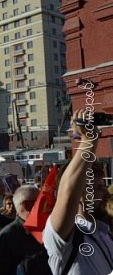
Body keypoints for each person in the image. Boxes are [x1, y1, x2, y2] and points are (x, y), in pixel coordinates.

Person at [43, 108, 113, 274]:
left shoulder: (103, 233)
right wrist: (89, 140)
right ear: (80, 194)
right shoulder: (62, 237)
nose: (106, 194)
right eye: (98, 188)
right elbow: (68, 195)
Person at [0, 185, 48, 275]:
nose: (46, 206)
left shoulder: (45, 230)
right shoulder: (7, 237)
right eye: (41, 201)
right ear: (28, 205)